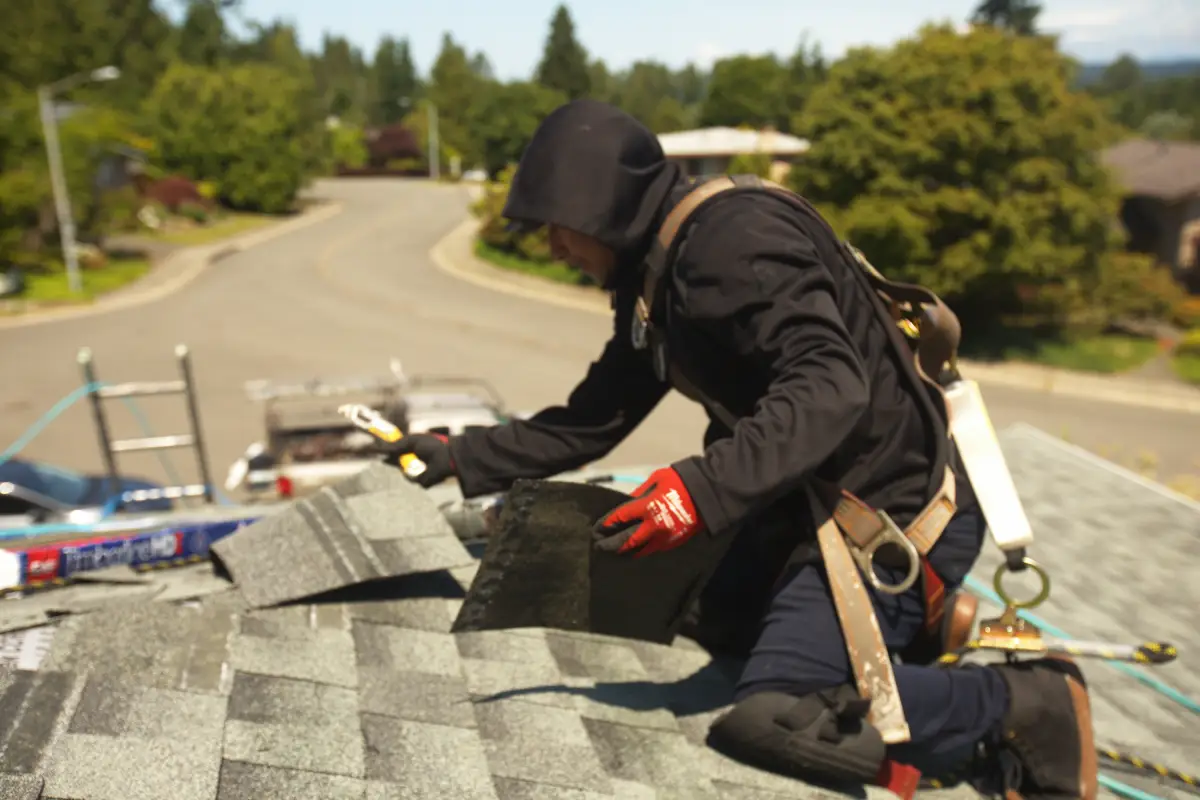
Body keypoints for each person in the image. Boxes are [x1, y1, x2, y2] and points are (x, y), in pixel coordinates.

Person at [384, 99, 1097, 799]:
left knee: (780, 714)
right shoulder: (656, 274)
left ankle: (1027, 700)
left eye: (560, 229)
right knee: (699, 610)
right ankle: (934, 620)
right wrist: (455, 458)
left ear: (604, 208)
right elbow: (592, 419)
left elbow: (829, 388)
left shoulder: (733, 243)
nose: (554, 249)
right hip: (799, 508)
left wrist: (697, 492)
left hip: (894, 517)